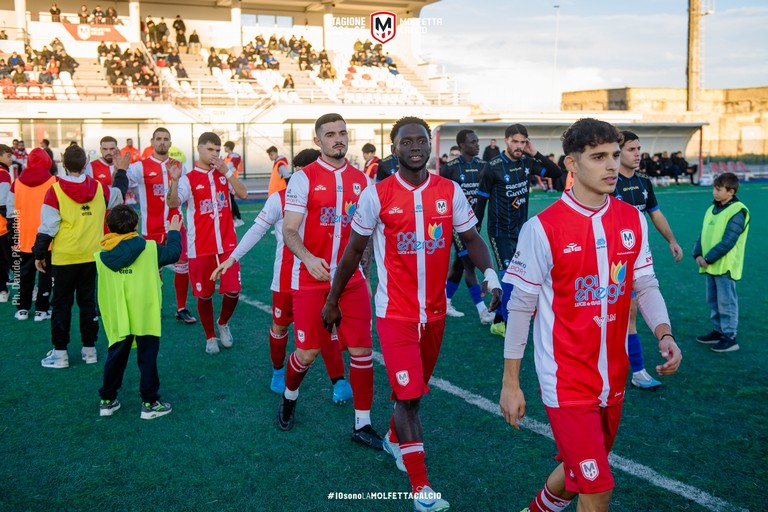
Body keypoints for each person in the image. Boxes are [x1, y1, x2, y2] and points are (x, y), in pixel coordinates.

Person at [499, 118, 682, 512]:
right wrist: (510, 383)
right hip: (565, 381)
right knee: (597, 488)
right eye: (598, 157)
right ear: (571, 164)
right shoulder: (542, 229)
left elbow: (645, 285)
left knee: (575, 474)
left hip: (613, 376)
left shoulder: (631, 219)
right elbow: (520, 309)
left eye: (615, 155)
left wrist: (664, 334)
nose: (612, 165)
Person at [322, 116, 502, 512]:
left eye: (422, 140)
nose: (416, 147)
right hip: (395, 314)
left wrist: (490, 276)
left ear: (429, 147)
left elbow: (470, 238)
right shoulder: (377, 194)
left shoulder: (449, 191)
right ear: (394, 148)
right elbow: (353, 251)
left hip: (435, 315)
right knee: (410, 398)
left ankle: (391, 439)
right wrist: (333, 298)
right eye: (407, 142)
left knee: (412, 391)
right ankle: (421, 489)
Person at [276, 113, 382, 450]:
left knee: (363, 350)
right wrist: (308, 258)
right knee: (307, 353)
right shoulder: (303, 179)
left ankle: (362, 423)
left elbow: (366, 234)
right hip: (309, 279)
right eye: (330, 134)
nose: (338, 139)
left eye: (342, 133)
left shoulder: (364, 182)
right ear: (317, 140)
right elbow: (290, 230)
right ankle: (289, 398)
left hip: (351, 282)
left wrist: (361, 268)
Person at [212, 148, 353, 401]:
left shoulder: (337, 198)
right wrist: (232, 258)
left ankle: (338, 380)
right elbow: (257, 230)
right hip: (287, 279)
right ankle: (278, 371)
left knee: (327, 327)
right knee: (280, 325)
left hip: (322, 277)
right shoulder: (281, 198)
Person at [35, 144, 129, 368]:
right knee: (87, 303)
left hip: (65, 257)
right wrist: (122, 171)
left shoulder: (55, 190)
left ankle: (60, 354)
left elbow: (48, 226)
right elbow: (119, 193)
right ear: (86, 164)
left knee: (61, 304)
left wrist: (39, 253)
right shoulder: (98, 188)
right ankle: (89, 350)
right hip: (91, 256)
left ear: (62, 163)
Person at [475, 123, 563, 336]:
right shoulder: (493, 166)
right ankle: (511, 327)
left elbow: (556, 172)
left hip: (522, 230)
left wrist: (535, 152)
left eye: (523, 142)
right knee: (509, 277)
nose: (519, 146)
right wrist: (474, 228)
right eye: (515, 141)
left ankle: (498, 321)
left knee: (521, 276)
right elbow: (481, 200)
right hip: (500, 232)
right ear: (506, 140)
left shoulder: (526, 161)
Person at [612, 130, 683, 389]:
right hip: (608, 262)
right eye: (631, 149)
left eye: (638, 148)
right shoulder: (608, 183)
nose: (638, 153)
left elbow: (655, 213)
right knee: (610, 318)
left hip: (636, 259)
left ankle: (638, 370)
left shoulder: (643, 181)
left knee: (630, 315)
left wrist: (672, 240)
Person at [96, 206, 180, 419]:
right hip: (146, 313)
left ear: (110, 227)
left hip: (118, 316)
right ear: (135, 226)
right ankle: (150, 403)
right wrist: (174, 231)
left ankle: (107, 400)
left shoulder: (101, 254)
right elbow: (174, 253)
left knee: (115, 357)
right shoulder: (150, 248)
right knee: (147, 357)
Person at [167, 132, 248, 354]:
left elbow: (243, 194)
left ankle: (222, 323)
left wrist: (227, 172)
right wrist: (174, 181)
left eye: (217, 150)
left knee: (233, 291)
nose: (214, 154)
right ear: (199, 148)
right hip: (200, 248)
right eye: (210, 149)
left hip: (228, 246)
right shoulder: (188, 178)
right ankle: (210, 336)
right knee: (204, 295)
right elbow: (173, 202)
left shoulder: (224, 174)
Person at [127, 128, 197, 323]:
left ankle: (181, 308)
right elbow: (124, 178)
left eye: (166, 139)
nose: (162, 143)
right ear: (152, 141)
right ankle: (154, 307)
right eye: (158, 139)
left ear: (170, 142)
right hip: (152, 227)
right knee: (153, 271)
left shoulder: (179, 166)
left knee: (182, 265)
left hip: (175, 224)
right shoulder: (140, 167)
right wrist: (119, 168)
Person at [440, 129, 495, 324]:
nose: (477, 144)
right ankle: (482, 312)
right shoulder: (450, 167)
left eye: (478, 141)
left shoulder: (484, 166)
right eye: (473, 142)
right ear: (462, 145)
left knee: (458, 265)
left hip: (475, 224)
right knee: (469, 264)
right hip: (456, 225)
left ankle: (445, 302)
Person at [693, 172, 750, 353]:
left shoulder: (738, 211)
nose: (715, 192)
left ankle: (730, 336)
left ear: (731, 192)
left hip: (724, 266)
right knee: (713, 301)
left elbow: (728, 241)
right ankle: (718, 331)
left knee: (727, 302)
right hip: (710, 264)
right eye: (714, 188)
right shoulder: (712, 208)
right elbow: (703, 234)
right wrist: (697, 254)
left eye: (719, 189)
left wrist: (707, 258)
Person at [6, 148, 57, 320]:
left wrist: (15, 230)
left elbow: (10, 211)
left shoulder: (17, 183)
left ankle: (22, 309)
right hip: (47, 238)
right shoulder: (53, 181)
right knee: (45, 274)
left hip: (23, 237)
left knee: (24, 275)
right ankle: (42, 310)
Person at [0, 145, 12, 302]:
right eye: (8, 155)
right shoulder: (3, 175)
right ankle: (28, 289)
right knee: (14, 259)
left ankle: (2, 290)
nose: (11, 159)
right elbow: (3, 201)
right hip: (3, 225)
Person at [222, 141, 244, 227]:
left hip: (232, 181)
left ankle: (238, 219)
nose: (224, 148)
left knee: (231, 200)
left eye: (225, 146)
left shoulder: (235, 156)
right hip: (227, 181)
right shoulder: (227, 157)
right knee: (229, 200)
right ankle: (233, 219)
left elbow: (227, 167)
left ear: (229, 147)